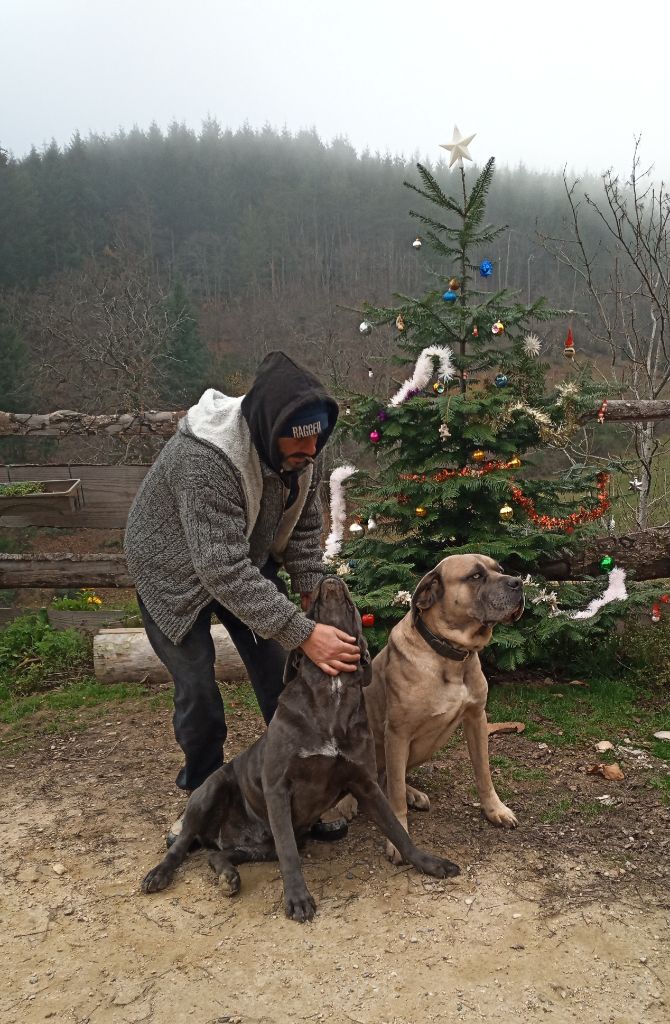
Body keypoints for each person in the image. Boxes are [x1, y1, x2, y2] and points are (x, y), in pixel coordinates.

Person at [124, 351, 360, 844]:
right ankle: (202, 802)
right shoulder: (206, 459)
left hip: (241, 556)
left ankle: (297, 797)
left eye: (317, 442)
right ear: (264, 428)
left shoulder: (302, 446)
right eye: (298, 445)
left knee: (283, 681)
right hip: (173, 573)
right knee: (199, 694)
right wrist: (304, 631)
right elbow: (220, 569)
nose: (310, 452)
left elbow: (304, 524)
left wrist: (310, 585)